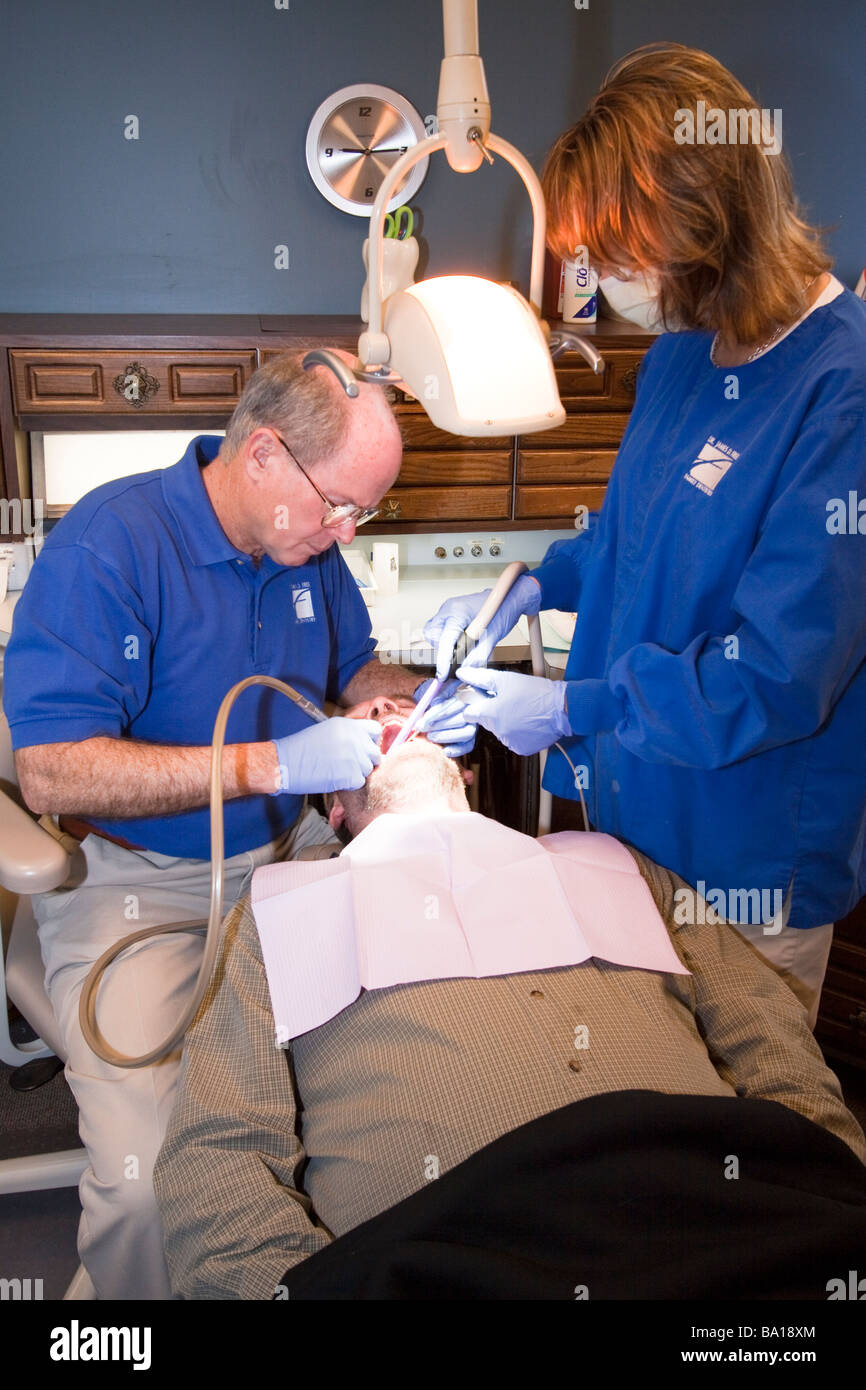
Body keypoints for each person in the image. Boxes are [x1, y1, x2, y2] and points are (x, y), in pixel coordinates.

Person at [420, 43, 866, 1026]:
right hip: (631, 823)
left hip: (745, 855)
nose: (605, 280)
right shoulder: (677, 360)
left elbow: (772, 678)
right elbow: (625, 538)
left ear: (712, 219)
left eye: (622, 253)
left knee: (739, 1140)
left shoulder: (841, 389)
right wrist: (530, 583)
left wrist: (577, 705)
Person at [152, 694, 865, 1300]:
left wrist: (817, 1171)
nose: (393, 715)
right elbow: (217, 1147)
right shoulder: (284, 904)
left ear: (465, 767)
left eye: (411, 711)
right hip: (454, 1252)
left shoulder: (612, 862)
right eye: (366, 723)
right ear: (333, 807)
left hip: (722, 1211)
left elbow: (765, 1031)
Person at [1, 351, 434, 1299]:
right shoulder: (111, 547)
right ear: (266, 453)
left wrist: (429, 694)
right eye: (338, 505)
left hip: (297, 862)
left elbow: (351, 671)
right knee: (153, 1182)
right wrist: (271, 765)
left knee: (413, 1089)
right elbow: (49, 767)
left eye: (365, 512)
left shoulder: (306, 549)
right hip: (144, 890)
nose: (346, 530)